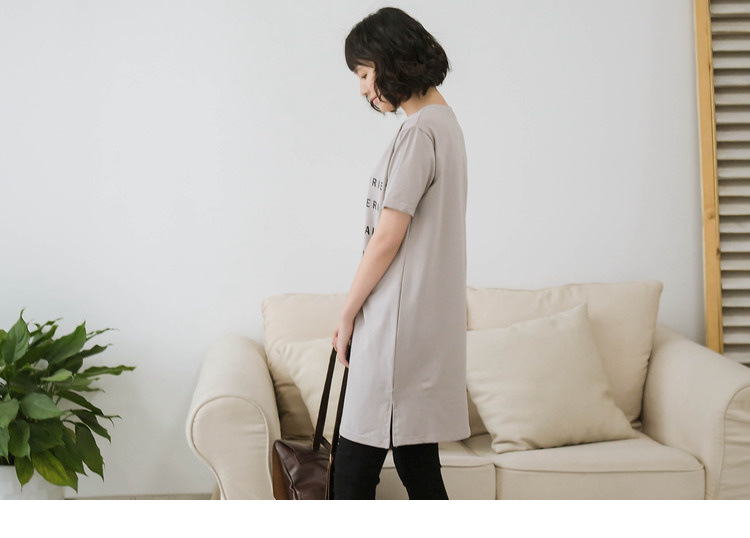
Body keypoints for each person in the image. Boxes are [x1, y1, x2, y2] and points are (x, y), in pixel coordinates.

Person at [331, 6, 470, 500]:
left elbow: (387, 237)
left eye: (363, 73)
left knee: (351, 475)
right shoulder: (445, 125)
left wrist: (347, 313)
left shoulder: (418, 133)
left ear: (390, 61)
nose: (362, 89)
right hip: (419, 329)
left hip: (395, 330)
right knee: (418, 467)